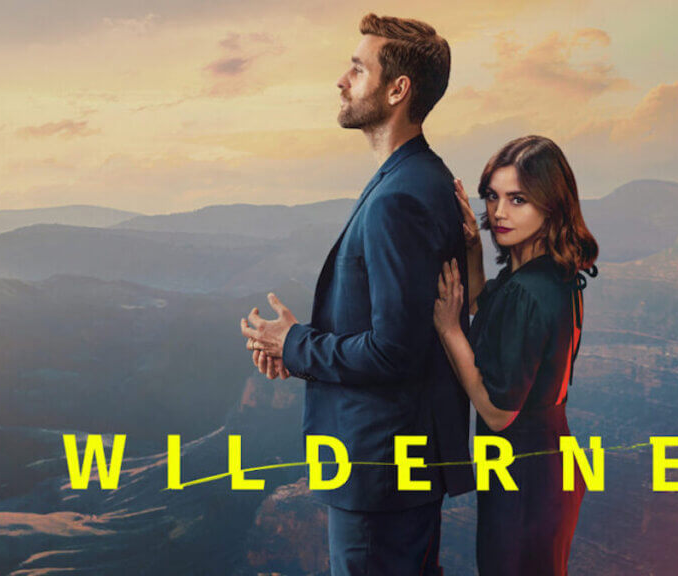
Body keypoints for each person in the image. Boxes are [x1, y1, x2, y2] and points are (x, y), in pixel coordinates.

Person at [239, 14, 473, 576]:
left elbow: (396, 350)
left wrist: (296, 343)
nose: (341, 81)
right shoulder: (418, 179)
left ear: (398, 90)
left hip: (379, 475)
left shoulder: (400, 198)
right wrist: (300, 351)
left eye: (357, 67)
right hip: (397, 471)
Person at [433, 135, 599, 576]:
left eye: (518, 199)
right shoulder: (547, 273)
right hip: (546, 464)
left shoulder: (528, 291)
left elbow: (497, 413)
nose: (499, 212)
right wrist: (472, 251)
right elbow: (491, 317)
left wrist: (449, 332)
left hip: (525, 478)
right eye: (493, 196)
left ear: (551, 204)